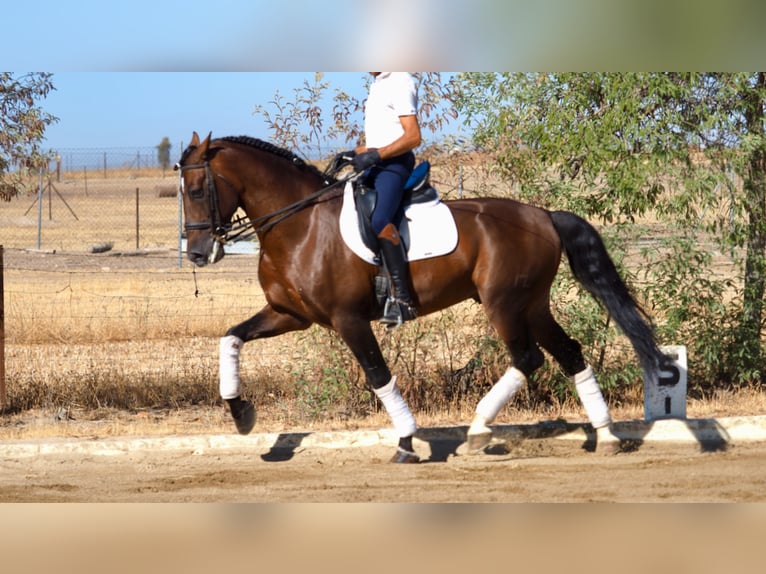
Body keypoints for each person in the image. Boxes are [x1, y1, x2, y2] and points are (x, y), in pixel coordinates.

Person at [343, 72, 422, 327]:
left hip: (394, 166)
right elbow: (381, 139)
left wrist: (376, 157)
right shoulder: (378, 84)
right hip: (377, 164)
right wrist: (353, 153)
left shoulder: (401, 80)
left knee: (380, 219)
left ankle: (403, 300)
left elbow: (412, 137)